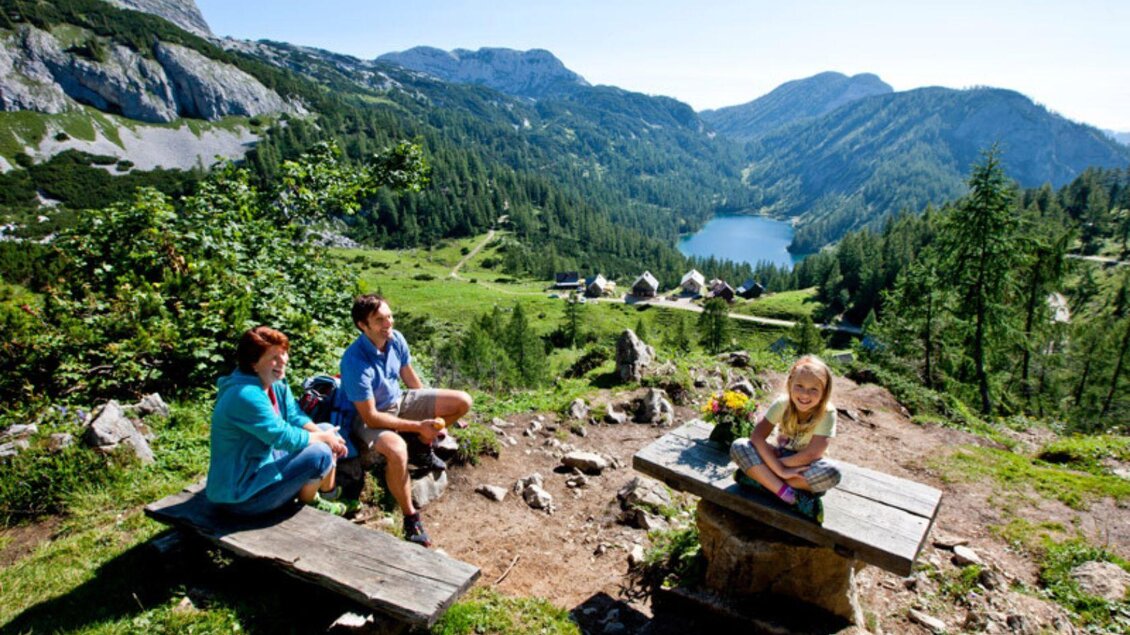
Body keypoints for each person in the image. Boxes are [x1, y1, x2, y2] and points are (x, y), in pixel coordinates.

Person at [336, 294, 473, 547]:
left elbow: (410, 380)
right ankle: (411, 517)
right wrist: (417, 426)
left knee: (462, 401)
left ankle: (421, 446)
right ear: (362, 326)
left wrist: (430, 418)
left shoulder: (395, 339)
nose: (388, 323)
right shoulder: (355, 361)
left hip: (399, 401)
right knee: (398, 450)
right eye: (380, 320)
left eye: (389, 316)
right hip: (368, 419)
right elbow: (371, 416)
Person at [206, 326, 348, 516]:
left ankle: (326, 493)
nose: (282, 361)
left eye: (284, 354)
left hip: (264, 465)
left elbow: (294, 416)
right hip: (241, 496)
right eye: (274, 357)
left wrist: (325, 434)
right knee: (320, 451)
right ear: (254, 364)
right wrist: (324, 440)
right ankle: (310, 503)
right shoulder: (245, 395)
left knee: (327, 428)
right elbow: (284, 437)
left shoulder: (275, 382)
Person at [729, 355, 842, 522]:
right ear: (790, 384)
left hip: (803, 464)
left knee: (832, 472)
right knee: (739, 446)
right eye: (800, 386)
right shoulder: (783, 403)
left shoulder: (827, 413)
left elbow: (812, 454)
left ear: (824, 392)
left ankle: (761, 479)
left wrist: (775, 466)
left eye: (814, 389)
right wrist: (781, 470)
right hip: (779, 457)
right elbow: (757, 437)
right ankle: (790, 495)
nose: (805, 394)